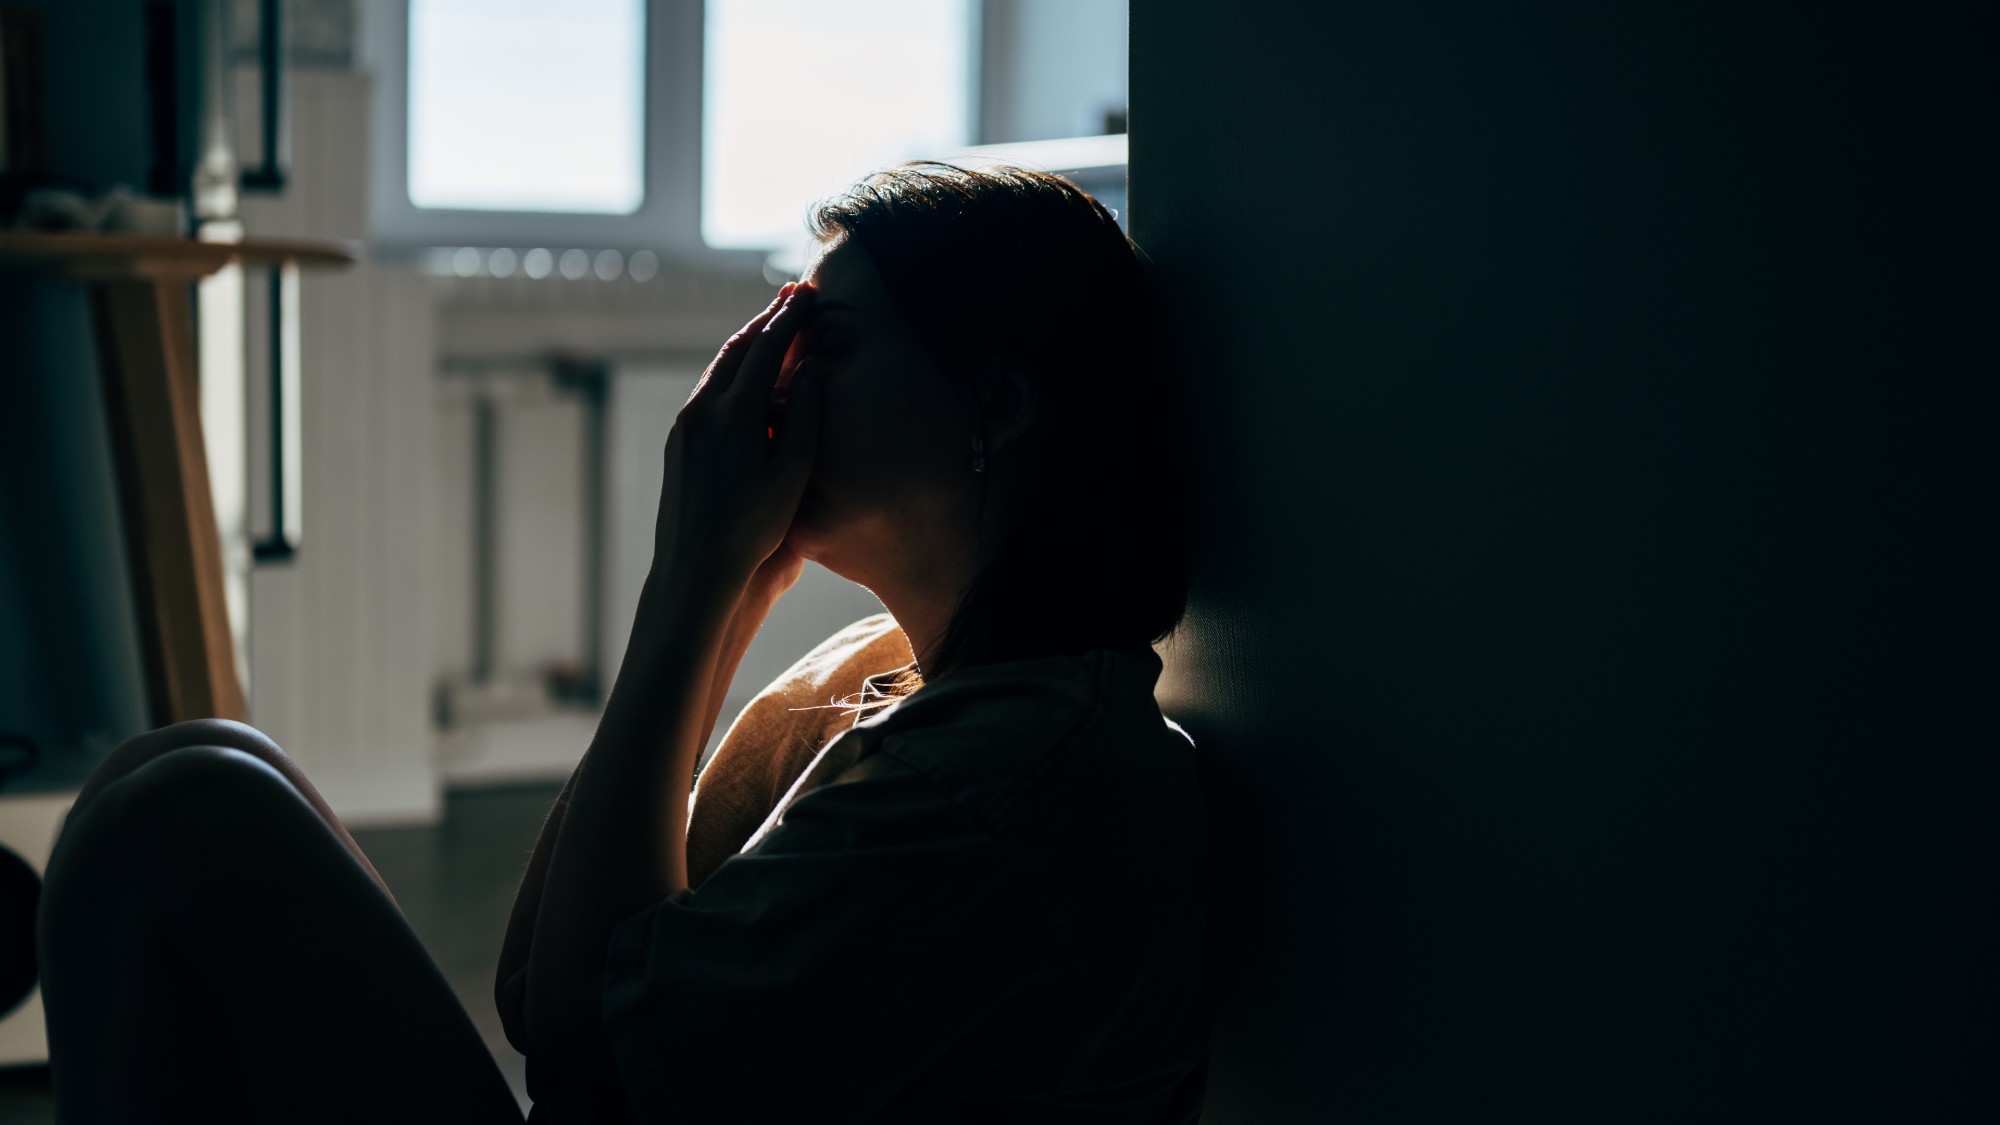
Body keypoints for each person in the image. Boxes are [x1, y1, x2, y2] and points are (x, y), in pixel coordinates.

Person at [37, 162, 1209, 1124]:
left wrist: (690, 582)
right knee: (190, 768)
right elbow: (536, 979)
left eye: (831, 345)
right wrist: (728, 587)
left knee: (181, 814)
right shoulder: (870, 675)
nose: (781, 380)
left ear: (994, 409)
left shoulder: (1014, 787)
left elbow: (581, 1044)